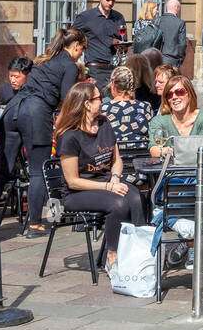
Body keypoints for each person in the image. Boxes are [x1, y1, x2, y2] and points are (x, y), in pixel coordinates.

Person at [0, 27, 87, 237]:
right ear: (76, 46)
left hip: (13, 108)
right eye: (82, 49)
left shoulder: (44, 60)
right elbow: (68, 99)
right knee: (38, 170)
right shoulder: (69, 65)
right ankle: (35, 224)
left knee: (2, 166)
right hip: (36, 114)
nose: (81, 54)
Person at [55, 79, 144, 271]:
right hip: (78, 192)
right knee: (118, 204)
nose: (102, 102)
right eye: (98, 98)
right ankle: (112, 255)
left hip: (107, 182)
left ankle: (138, 251)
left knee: (135, 197)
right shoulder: (70, 136)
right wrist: (108, 187)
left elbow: (117, 159)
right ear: (86, 104)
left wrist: (114, 179)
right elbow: (72, 181)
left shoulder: (103, 123)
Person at [72, 0, 127, 92]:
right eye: (107, 0)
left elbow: (124, 40)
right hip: (95, 69)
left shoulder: (118, 17)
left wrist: (121, 45)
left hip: (114, 68)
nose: (111, 3)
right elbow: (71, 36)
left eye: (113, 1)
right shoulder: (86, 17)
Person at [148, 75, 203, 156]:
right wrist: (166, 151)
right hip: (169, 167)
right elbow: (153, 150)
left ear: (189, 94)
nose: (174, 97)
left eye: (179, 92)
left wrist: (176, 151)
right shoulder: (158, 121)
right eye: (169, 94)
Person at [102, 65, 154, 151]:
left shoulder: (104, 108)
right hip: (141, 156)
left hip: (113, 157)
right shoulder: (145, 106)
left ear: (113, 84)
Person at [157, 0, 187, 68]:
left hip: (156, 58)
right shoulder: (180, 23)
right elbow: (182, 44)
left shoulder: (156, 20)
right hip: (172, 59)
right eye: (179, 8)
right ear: (176, 8)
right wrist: (180, 59)